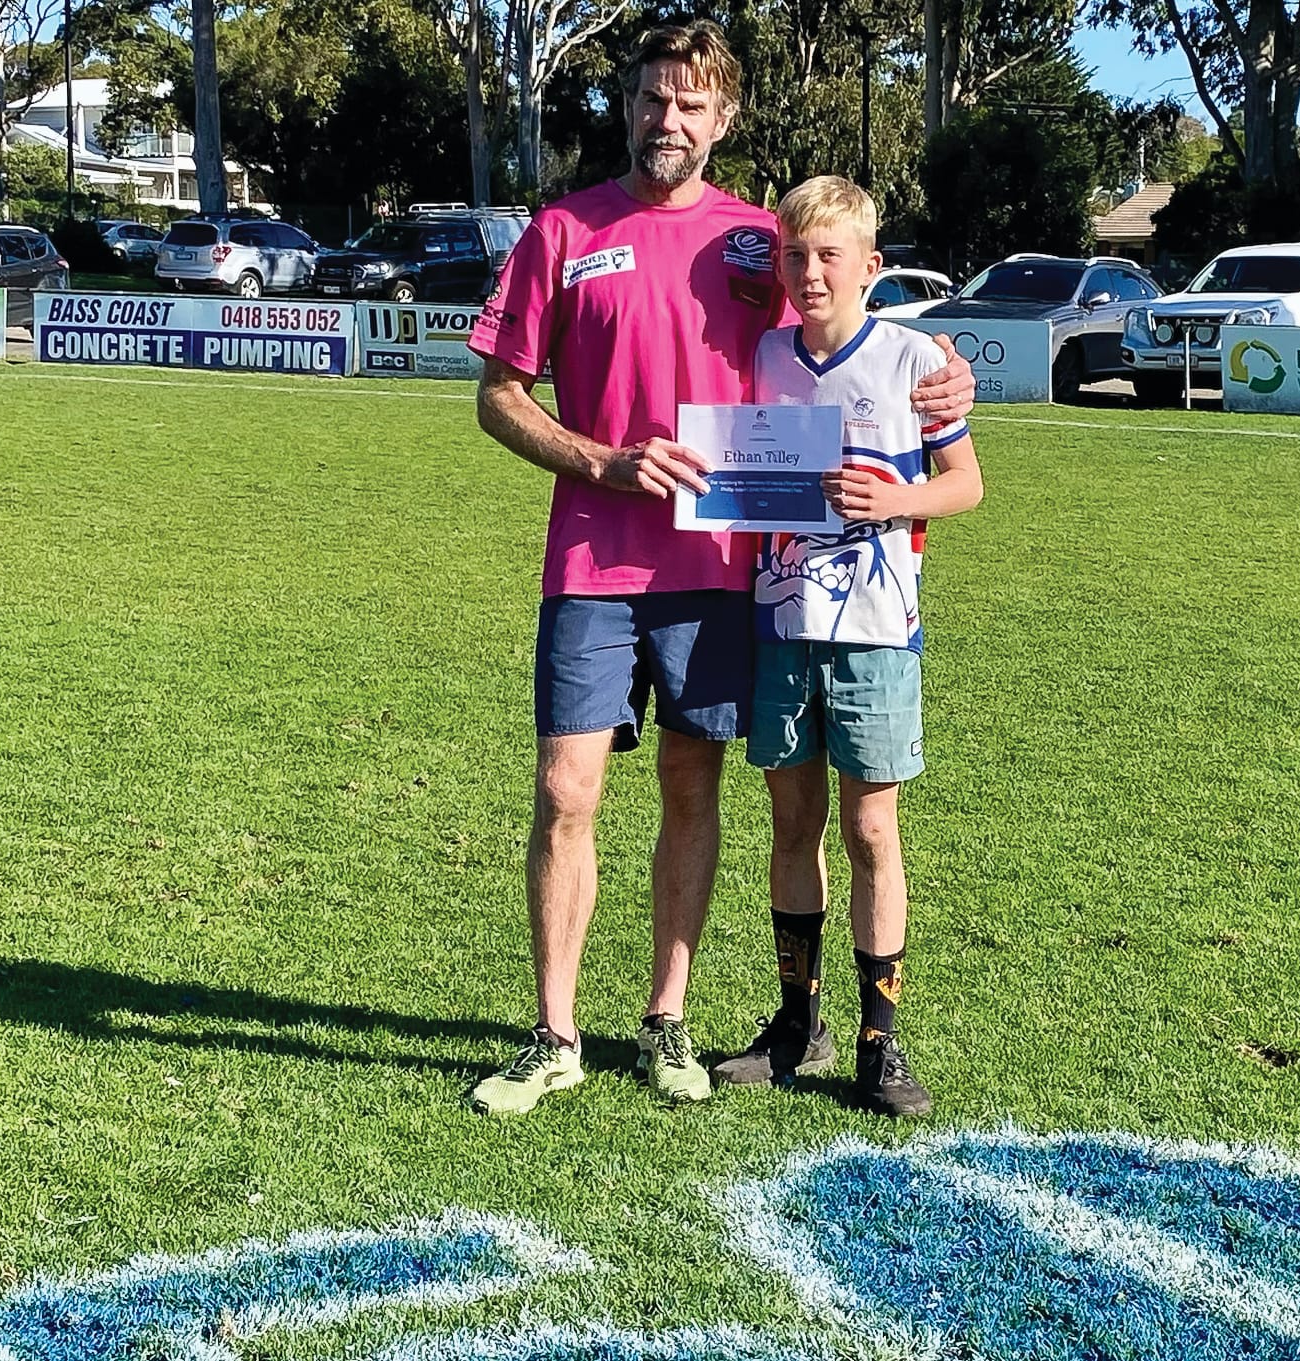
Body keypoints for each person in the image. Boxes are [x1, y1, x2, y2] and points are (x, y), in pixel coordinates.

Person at [463, 23, 973, 1115]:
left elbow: (842, 335)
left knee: (691, 787)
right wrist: (601, 460)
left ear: (723, 118)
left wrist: (946, 380)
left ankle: (667, 1019)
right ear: (628, 106)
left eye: (691, 103)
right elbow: (498, 395)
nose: (670, 119)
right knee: (565, 790)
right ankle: (553, 1034)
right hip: (591, 564)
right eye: (653, 98)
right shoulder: (562, 229)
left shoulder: (757, 242)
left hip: (721, 569)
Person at [709, 177, 983, 1117]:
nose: (811, 272)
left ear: (871, 265)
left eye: (830, 255)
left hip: (877, 633)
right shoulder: (764, 355)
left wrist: (896, 498)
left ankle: (880, 1038)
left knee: (871, 829)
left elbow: (966, 482)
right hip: (783, 624)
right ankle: (799, 1023)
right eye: (796, 255)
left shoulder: (914, 357)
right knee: (793, 825)